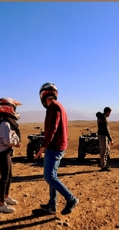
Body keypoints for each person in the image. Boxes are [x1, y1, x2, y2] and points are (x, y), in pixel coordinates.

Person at [34, 82, 79, 215]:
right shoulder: (58, 106)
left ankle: (71, 199)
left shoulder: (54, 107)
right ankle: (52, 205)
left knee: (49, 176)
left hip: (54, 147)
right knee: (52, 176)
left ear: (43, 95)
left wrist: (43, 146)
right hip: (57, 146)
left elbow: (52, 128)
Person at [0, 97, 22, 213]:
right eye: (14, 107)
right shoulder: (5, 123)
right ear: (9, 108)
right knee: (4, 178)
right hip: (2, 152)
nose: (15, 110)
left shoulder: (5, 121)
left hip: (5, 152)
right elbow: (8, 140)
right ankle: (2, 204)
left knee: (9, 175)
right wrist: (16, 143)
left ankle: (6, 197)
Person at [96, 107, 114, 172]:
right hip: (103, 136)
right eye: (109, 113)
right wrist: (111, 139)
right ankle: (104, 166)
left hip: (101, 135)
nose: (109, 114)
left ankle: (105, 165)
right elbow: (106, 130)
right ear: (107, 112)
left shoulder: (100, 118)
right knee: (104, 151)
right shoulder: (104, 119)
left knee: (105, 150)